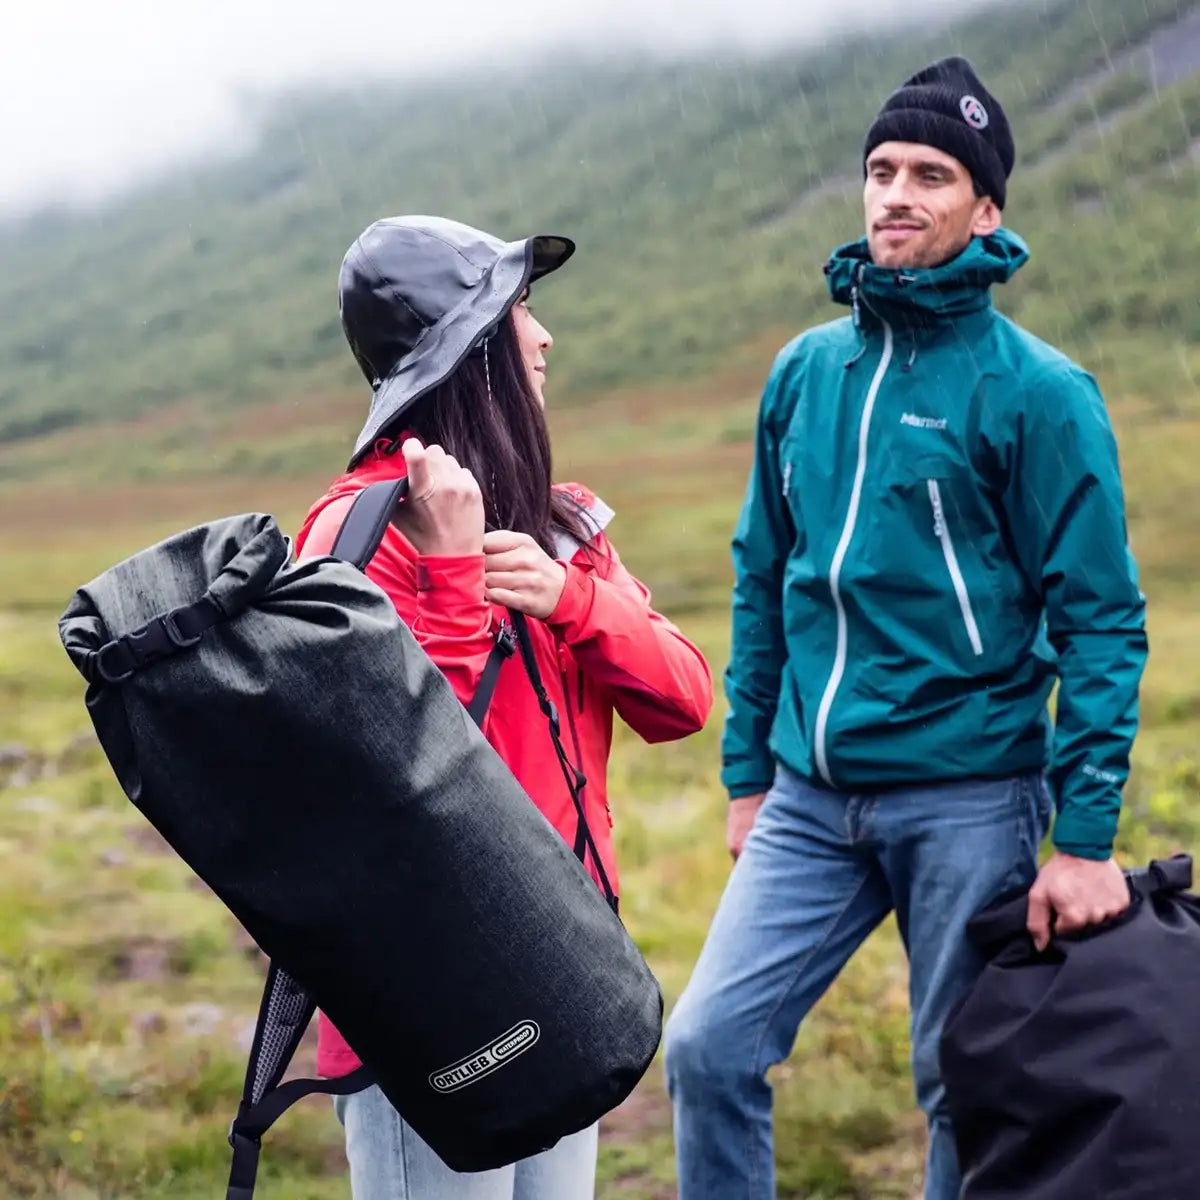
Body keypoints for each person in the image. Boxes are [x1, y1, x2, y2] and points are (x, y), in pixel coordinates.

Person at [663, 56, 1147, 1200]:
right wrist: (746, 776)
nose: (895, 194)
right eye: (881, 170)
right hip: (809, 798)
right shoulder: (805, 373)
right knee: (707, 1046)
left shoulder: (1038, 393)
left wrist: (1080, 839)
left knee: (957, 1083)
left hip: (969, 792)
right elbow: (763, 575)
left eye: (931, 175)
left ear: (986, 210)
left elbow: (1101, 620)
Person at [293, 215, 714, 1200]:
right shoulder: (355, 531)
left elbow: (684, 699)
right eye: (520, 311)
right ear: (469, 348)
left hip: (564, 970)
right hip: (428, 1000)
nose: (544, 336)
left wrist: (571, 599)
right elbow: (387, 774)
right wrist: (448, 569)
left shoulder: (558, 523)